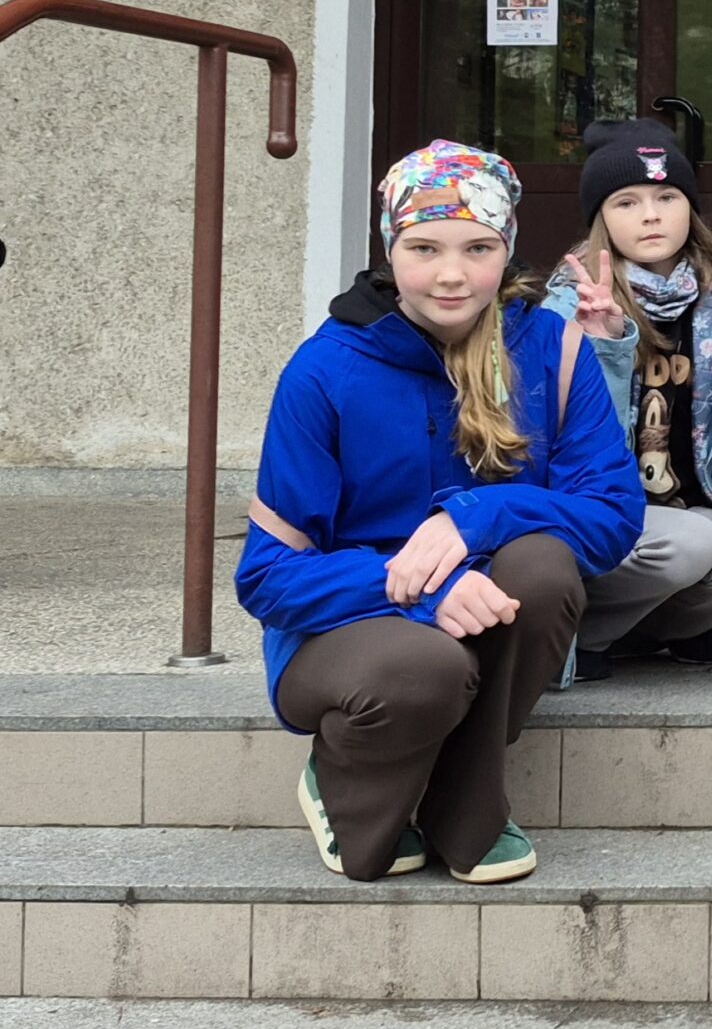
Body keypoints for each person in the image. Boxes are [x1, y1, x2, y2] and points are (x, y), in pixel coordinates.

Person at [236, 140, 644, 885]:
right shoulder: (325, 369)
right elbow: (267, 577)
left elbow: (613, 515)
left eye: (477, 248)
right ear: (390, 251)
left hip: (488, 609)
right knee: (426, 665)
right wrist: (425, 587)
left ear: (507, 249)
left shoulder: (554, 349)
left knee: (543, 566)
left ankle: (467, 801)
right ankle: (342, 777)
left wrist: (476, 516)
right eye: (424, 248)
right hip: (347, 632)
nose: (452, 274)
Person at [543, 119, 712, 681]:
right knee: (692, 542)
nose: (651, 215)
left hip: (681, 514)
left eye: (666, 197)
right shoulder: (567, 307)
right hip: (601, 516)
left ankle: (656, 632)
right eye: (626, 202)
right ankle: (582, 633)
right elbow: (572, 443)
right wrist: (604, 345)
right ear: (601, 218)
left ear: (690, 208)